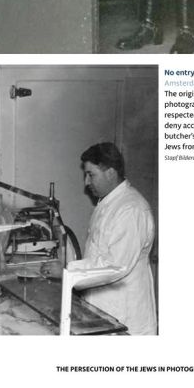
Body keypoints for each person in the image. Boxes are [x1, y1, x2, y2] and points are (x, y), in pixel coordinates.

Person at [68, 143, 156, 335]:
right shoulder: (109, 203)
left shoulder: (131, 209)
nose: (86, 182)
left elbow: (114, 265)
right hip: (104, 309)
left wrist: (68, 272)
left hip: (126, 317)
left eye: (91, 175)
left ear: (110, 172)